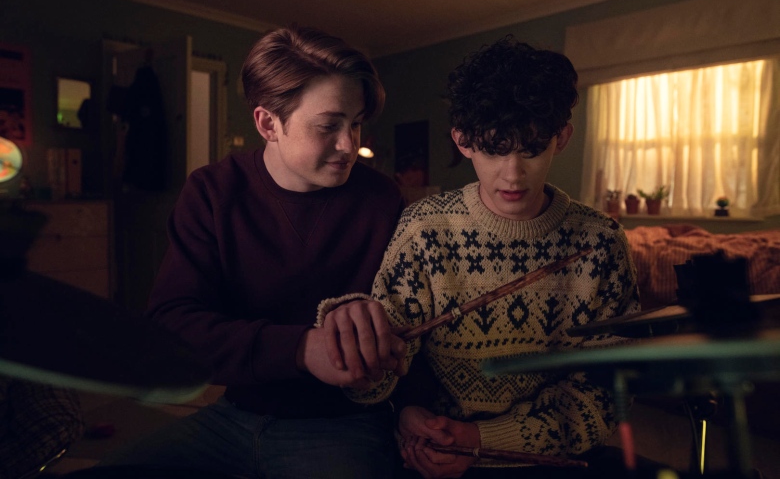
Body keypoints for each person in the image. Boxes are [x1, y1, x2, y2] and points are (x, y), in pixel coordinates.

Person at [317, 36, 642, 478]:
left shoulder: (601, 241)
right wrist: (392, 397)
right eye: (493, 149)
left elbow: (606, 395)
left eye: (531, 149)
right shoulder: (424, 228)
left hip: (549, 461)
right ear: (463, 141)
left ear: (560, 138)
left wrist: (482, 441)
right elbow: (379, 380)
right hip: (429, 450)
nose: (512, 173)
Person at [99, 25, 408, 478]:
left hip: (344, 425)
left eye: (356, 123)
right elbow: (173, 324)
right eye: (329, 126)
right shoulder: (211, 192)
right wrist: (302, 348)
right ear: (268, 123)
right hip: (231, 416)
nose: (349, 146)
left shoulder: (383, 200)